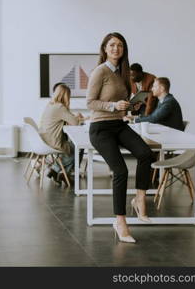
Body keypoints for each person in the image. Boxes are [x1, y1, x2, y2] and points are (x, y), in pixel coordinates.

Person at [87, 32, 154, 243]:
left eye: (120, 45)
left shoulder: (124, 73)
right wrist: (113, 106)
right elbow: (90, 103)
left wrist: (130, 106)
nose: (116, 48)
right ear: (105, 49)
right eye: (112, 45)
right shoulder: (100, 71)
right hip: (100, 128)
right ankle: (120, 221)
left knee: (146, 154)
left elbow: (122, 102)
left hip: (118, 123)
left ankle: (140, 198)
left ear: (124, 50)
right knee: (121, 170)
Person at [39, 83, 86, 184]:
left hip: (44, 139)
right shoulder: (60, 107)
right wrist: (77, 117)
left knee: (74, 147)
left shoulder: (51, 105)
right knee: (79, 147)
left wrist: (73, 117)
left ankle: (62, 174)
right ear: (65, 95)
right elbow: (75, 123)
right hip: (53, 141)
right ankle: (57, 170)